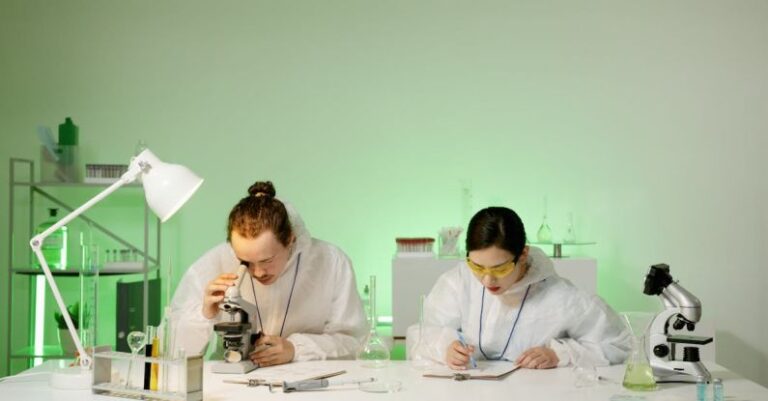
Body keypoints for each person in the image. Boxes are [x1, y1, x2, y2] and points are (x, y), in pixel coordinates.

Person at [169, 181, 368, 367]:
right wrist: (206, 314)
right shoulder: (213, 263)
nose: (257, 272)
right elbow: (174, 353)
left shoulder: (331, 262)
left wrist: (296, 349)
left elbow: (354, 342)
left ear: (290, 239)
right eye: (245, 262)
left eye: (266, 260)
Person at [408, 207, 630, 370]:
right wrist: (445, 348)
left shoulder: (561, 296)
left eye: (500, 268)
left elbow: (619, 345)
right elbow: (421, 334)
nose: (487, 280)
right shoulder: (458, 282)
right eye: (477, 266)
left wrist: (559, 354)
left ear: (523, 254)